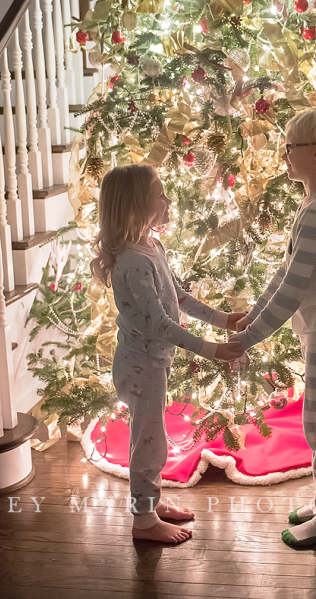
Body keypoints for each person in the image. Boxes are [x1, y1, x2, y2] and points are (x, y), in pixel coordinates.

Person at [90, 163, 243, 545]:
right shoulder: (133, 262)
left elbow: (179, 298)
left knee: (150, 437)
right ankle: (143, 521)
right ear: (136, 206)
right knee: (148, 442)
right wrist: (212, 350)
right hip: (140, 365)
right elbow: (159, 323)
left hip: (151, 362)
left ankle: (151, 503)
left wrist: (225, 320)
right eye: (160, 194)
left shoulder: (151, 246)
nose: (168, 199)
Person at [231, 108, 316, 548]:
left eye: (291, 148)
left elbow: (292, 289)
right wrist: (253, 313)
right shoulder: (315, 204)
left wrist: (247, 337)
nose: (284, 155)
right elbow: (285, 275)